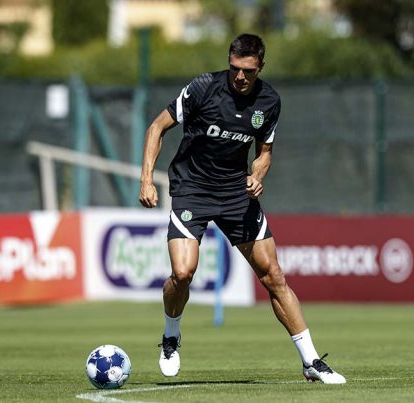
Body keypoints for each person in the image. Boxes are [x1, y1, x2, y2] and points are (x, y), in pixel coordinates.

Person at [138, 33, 346, 384]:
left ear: (260, 67)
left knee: (274, 275)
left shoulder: (270, 102)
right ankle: (171, 335)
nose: (239, 77)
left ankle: (311, 362)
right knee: (183, 272)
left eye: (247, 71)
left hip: (236, 194)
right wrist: (146, 180)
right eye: (235, 68)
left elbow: (264, 153)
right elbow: (157, 127)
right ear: (230, 61)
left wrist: (257, 174)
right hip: (192, 190)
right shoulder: (204, 88)